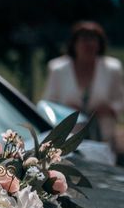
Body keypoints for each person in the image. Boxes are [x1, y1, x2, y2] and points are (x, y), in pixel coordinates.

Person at [42, 21, 124, 155]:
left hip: (104, 139)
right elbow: (47, 104)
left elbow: (120, 101)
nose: (89, 44)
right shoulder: (58, 69)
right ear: (74, 43)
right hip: (68, 139)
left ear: (99, 44)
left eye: (93, 39)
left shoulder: (112, 68)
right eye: (84, 39)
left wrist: (107, 108)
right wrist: (67, 110)